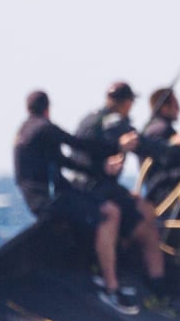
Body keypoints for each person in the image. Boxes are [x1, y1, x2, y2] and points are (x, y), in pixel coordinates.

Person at [67, 81, 167, 311]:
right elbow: (144, 145)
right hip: (97, 190)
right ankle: (119, 287)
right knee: (121, 218)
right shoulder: (115, 123)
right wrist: (172, 149)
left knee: (141, 209)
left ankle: (142, 277)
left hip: (80, 186)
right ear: (125, 102)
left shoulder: (89, 118)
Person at [12, 91, 121, 285]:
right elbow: (78, 145)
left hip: (35, 201)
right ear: (47, 109)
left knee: (83, 207)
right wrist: (114, 150)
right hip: (50, 202)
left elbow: (61, 161)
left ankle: (86, 266)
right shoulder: (45, 128)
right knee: (111, 213)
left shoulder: (23, 130)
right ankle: (111, 285)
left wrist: (97, 171)